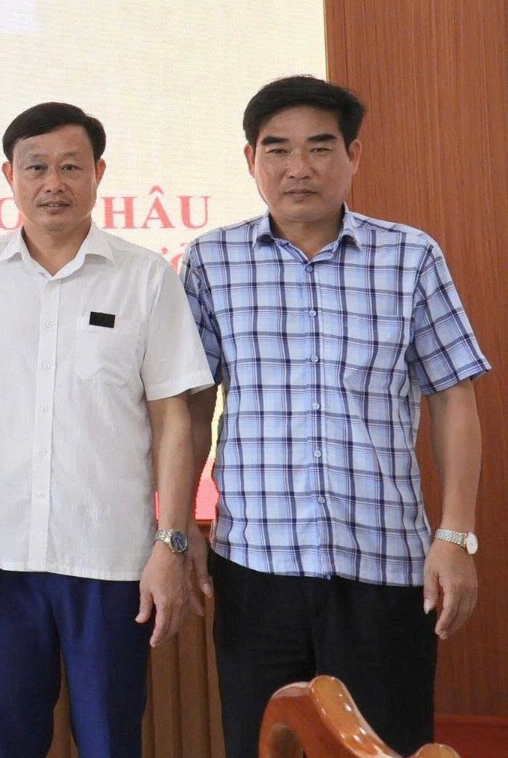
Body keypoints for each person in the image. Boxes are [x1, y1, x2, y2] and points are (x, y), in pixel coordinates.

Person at [183, 76, 489, 757]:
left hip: (383, 563)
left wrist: (456, 536)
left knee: (385, 747)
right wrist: (177, 526)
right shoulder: (211, 261)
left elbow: (453, 398)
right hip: (254, 566)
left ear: (353, 155)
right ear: (251, 160)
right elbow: (193, 407)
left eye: (320, 148)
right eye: (278, 149)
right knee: (264, 744)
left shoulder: (410, 257)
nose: (299, 167)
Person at [0, 102, 211, 758]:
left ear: (99, 173)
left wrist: (171, 541)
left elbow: (174, 420)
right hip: (2, 558)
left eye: (71, 167)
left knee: (110, 741)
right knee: (11, 741)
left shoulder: (144, 276)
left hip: (112, 558)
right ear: (9, 176)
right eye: (36, 168)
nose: (53, 183)